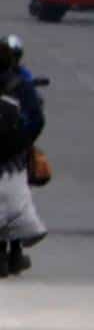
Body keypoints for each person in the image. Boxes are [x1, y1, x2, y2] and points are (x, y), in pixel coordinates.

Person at [0, 36, 47, 277]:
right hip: (13, 158)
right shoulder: (21, 83)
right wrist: (20, 143)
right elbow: (37, 120)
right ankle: (14, 251)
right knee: (17, 200)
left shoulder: (24, 79)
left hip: (13, 154)